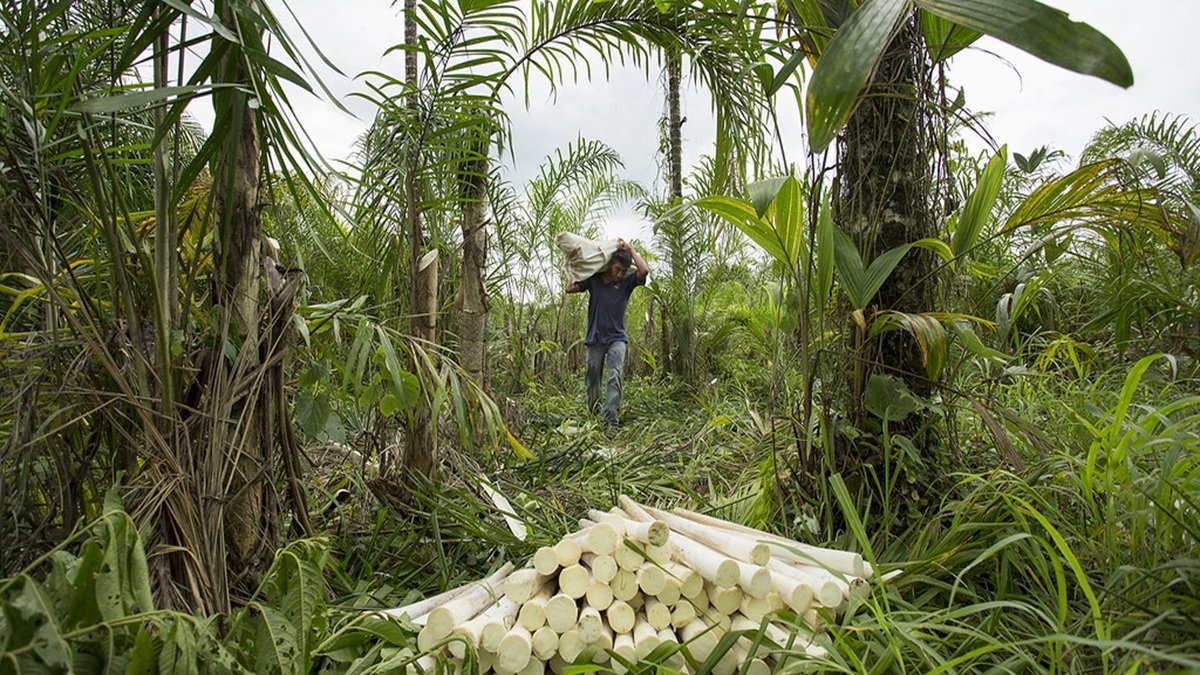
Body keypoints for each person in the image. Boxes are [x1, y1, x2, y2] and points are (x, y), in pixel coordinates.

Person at [565, 240, 649, 434]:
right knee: (592, 378)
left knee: (615, 376)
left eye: (623, 270)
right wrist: (575, 267)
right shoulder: (594, 280)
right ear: (610, 264)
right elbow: (569, 289)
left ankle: (611, 422)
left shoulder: (627, 282)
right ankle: (594, 416)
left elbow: (644, 271)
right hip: (595, 339)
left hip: (617, 339)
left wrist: (631, 250)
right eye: (617, 269)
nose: (620, 274)